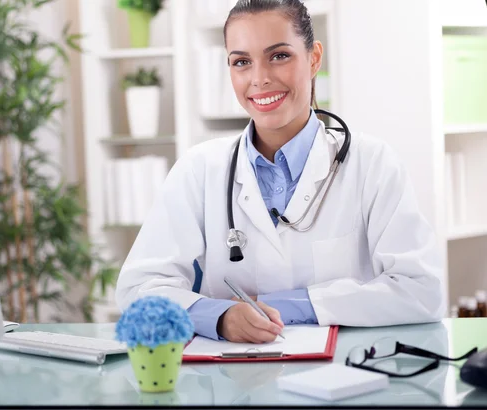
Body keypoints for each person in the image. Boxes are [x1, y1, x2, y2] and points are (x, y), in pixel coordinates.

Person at [115, 0, 444, 343]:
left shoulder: (372, 163)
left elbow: (421, 289)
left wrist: (286, 306)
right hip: (234, 384)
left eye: (279, 56)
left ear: (314, 58)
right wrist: (219, 316)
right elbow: (139, 287)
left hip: (345, 377)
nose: (260, 79)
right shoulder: (200, 169)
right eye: (241, 62)